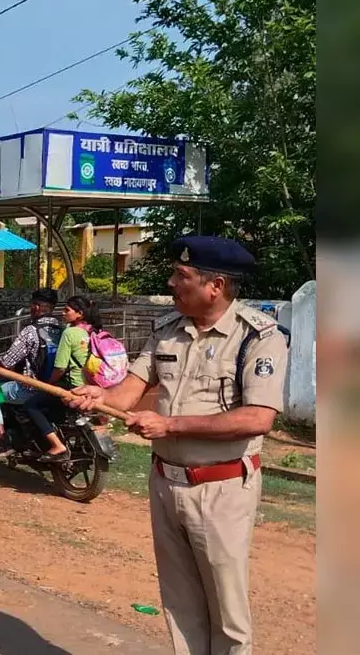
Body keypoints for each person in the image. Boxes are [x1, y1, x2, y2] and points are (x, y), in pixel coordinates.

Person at [67, 236, 288, 655]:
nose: (171, 283)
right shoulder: (167, 330)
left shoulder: (258, 337)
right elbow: (130, 390)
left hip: (221, 488)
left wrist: (169, 425)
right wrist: (100, 396)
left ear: (215, 285)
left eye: (181, 275)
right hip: (165, 483)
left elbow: (258, 418)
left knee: (226, 609)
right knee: (180, 602)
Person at [0, 288, 62, 461]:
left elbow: (7, 361)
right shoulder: (62, 330)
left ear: (37, 307)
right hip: (54, 387)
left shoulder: (30, 331)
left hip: (30, 388)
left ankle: (2, 442)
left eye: (32, 305)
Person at [22, 295, 102, 462]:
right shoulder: (94, 331)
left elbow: (60, 367)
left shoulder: (70, 332)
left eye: (67, 310)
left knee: (31, 405)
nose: (63, 313)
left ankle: (57, 445)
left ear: (79, 313)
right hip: (94, 387)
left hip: (73, 386)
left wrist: (48, 384)